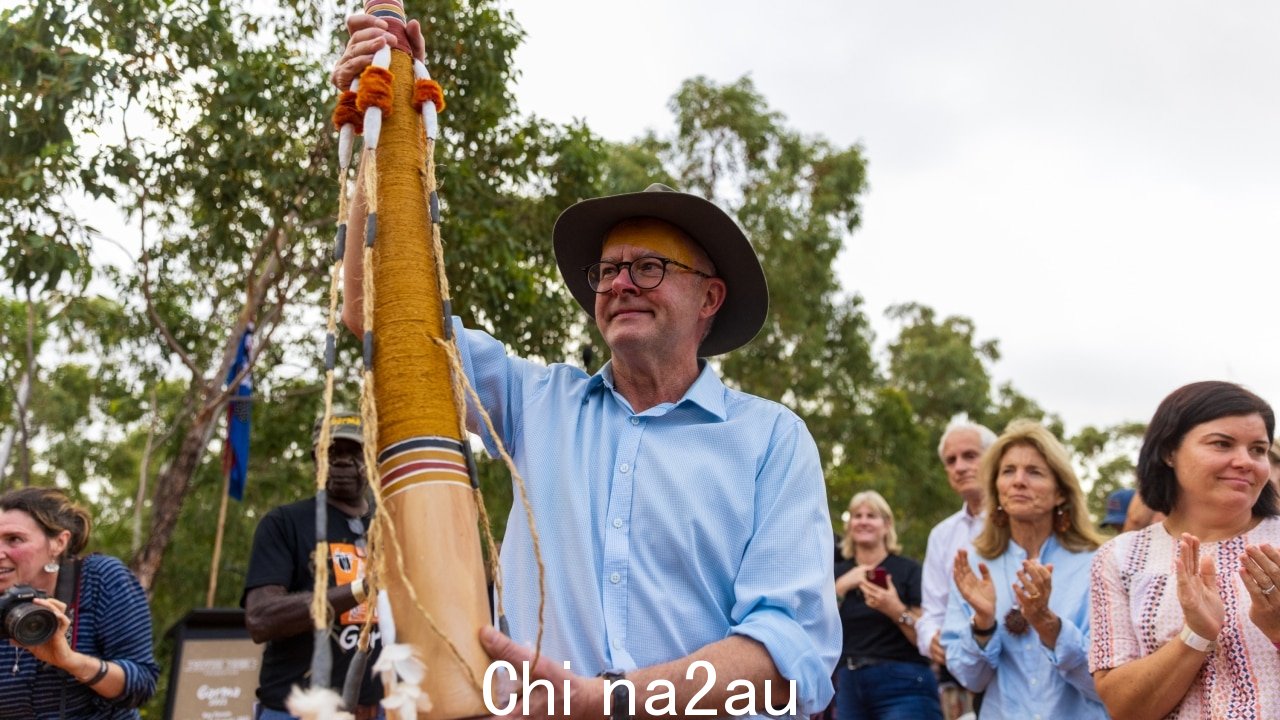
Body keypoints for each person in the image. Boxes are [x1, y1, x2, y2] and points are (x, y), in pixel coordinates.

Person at [333, 16, 840, 717]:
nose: (620, 282)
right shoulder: (535, 402)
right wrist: (384, 117)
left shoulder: (772, 441)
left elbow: (790, 653)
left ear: (709, 299)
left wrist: (613, 702)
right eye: (608, 270)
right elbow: (381, 319)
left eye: (649, 267)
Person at [1090, 381, 1280, 719]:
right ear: (1169, 452)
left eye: (1258, 449)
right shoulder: (1121, 557)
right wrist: (1195, 635)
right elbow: (1123, 707)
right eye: (1222, 444)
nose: (1245, 462)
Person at [942, 419, 1107, 719]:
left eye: (1034, 472)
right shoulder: (976, 568)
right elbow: (970, 678)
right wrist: (982, 623)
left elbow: (1106, 686)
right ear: (996, 488)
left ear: (1060, 493)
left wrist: (1050, 627)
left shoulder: (1097, 564)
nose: (1018, 481)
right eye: (1008, 471)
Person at [242, 411, 382, 720]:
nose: (343, 461)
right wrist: (361, 590)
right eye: (332, 451)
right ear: (315, 460)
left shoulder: (389, 531)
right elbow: (260, 618)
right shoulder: (284, 523)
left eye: (355, 452)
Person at [0, 487, 159, 718]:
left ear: (59, 543)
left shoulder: (100, 579)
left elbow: (141, 684)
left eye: (14, 539)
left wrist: (70, 661)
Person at [833, 491, 941, 720]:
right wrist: (841, 587)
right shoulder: (837, 574)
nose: (863, 521)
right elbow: (817, 625)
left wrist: (894, 608)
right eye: (857, 515)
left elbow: (926, 639)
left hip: (904, 681)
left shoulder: (909, 570)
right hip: (849, 684)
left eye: (871, 515)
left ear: (886, 524)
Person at [916, 418, 994, 720]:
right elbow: (932, 609)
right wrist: (932, 636)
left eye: (970, 456)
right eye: (951, 460)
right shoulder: (942, 534)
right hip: (960, 671)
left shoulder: (1018, 522)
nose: (959, 466)